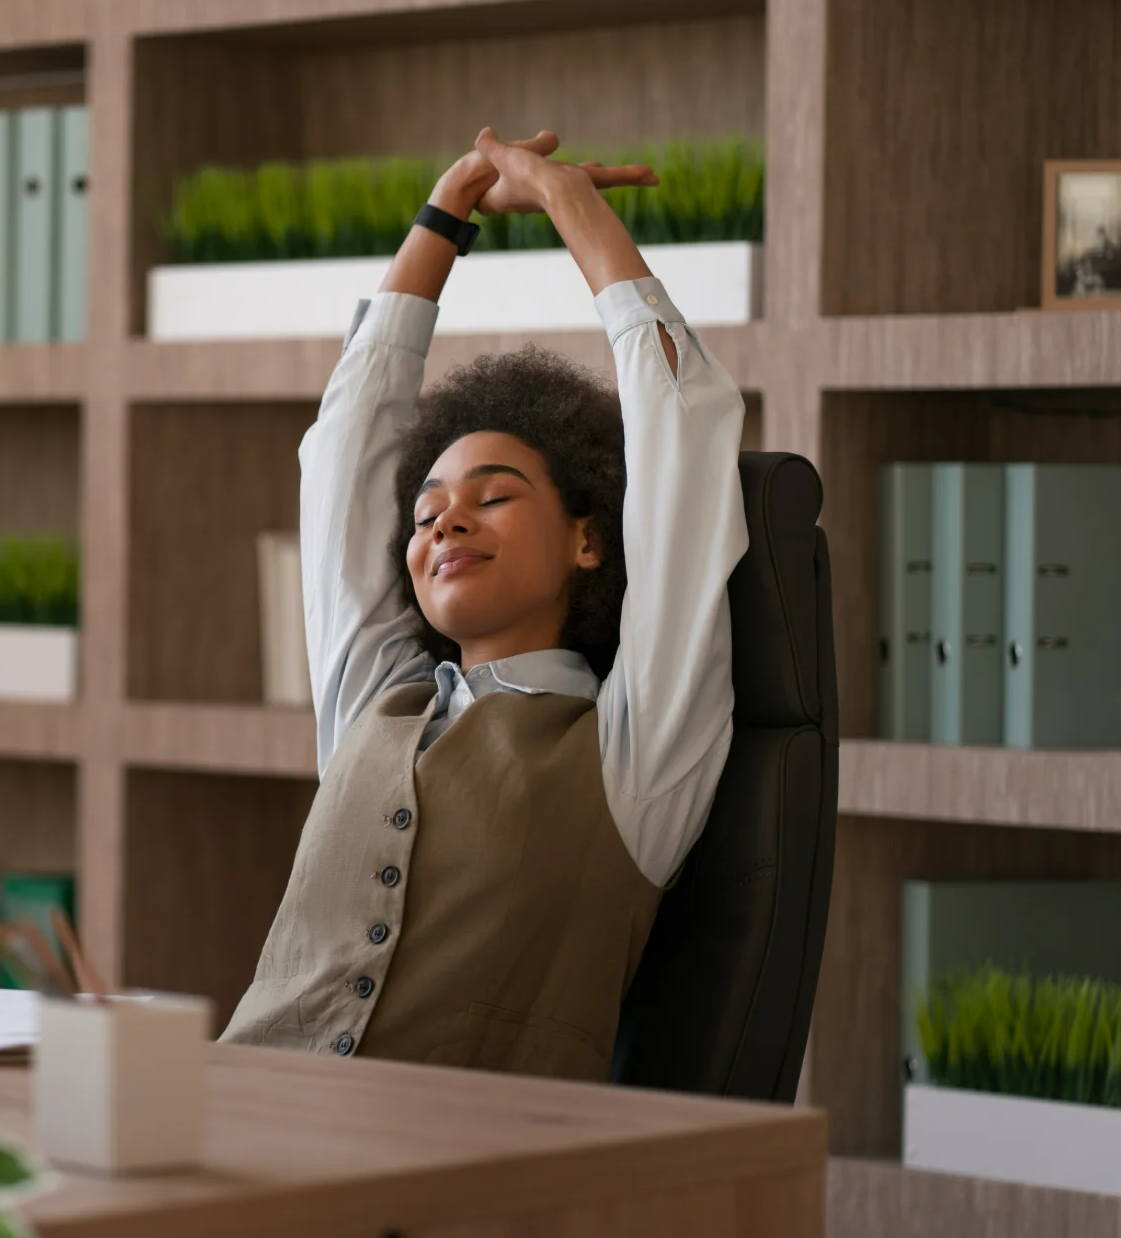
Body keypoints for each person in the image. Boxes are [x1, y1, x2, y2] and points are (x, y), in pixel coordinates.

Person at [218, 128, 749, 1080]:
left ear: (590, 538)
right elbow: (342, 451)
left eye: (493, 497)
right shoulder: (373, 703)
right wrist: (443, 218)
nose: (445, 524)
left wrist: (569, 207)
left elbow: (686, 433)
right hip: (240, 1128)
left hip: (468, 1186)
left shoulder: (636, 749)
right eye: (425, 515)